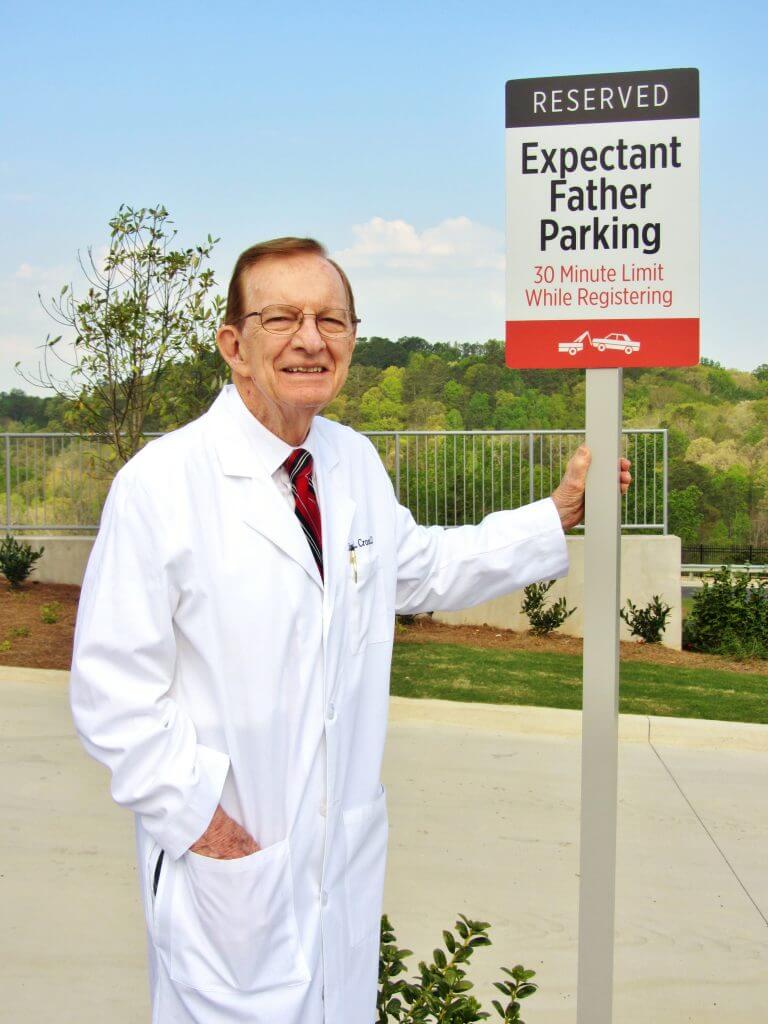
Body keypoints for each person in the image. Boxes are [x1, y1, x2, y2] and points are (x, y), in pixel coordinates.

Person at [69, 236, 631, 1024]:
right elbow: (112, 699)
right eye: (282, 318)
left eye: (331, 319)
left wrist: (557, 513)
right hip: (230, 879)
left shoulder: (352, 463)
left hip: (338, 867)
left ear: (353, 340)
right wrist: (213, 833)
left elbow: (424, 568)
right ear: (234, 344)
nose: (310, 339)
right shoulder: (161, 487)